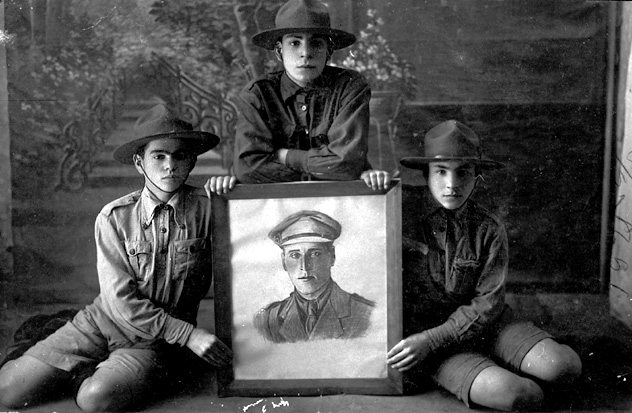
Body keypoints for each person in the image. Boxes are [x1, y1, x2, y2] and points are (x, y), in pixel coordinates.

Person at [0, 104, 234, 412]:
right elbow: (119, 300)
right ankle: (64, 344)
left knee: (94, 399)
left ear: (192, 161)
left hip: (156, 341)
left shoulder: (210, 208)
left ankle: (95, 371)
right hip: (103, 319)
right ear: (139, 163)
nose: (169, 165)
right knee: (6, 390)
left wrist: (231, 192)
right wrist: (191, 334)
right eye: (158, 155)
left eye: (180, 155)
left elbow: (255, 225)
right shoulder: (114, 217)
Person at [387, 120, 582, 411]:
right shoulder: (398, 211)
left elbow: (487, 305)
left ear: (478, 175)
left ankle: (519, 359)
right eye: (441, 171)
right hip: (430, 346)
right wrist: (371, 184)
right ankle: (503, 374)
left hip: (488, 326)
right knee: (517, 396)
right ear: (425, 174)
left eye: (463, 171)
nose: (451, 184)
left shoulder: (489, 228)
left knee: (563, 367)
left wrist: (432, 339)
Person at [206, 0, 390, 195]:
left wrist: (285, 156)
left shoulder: (350, 86)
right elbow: (249, 169)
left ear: (329, 52)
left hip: (340, 199)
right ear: (279, 51)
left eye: (316, 43)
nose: (305, 53)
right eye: (295, 43)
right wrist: (325, 168)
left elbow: (346, 164)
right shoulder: (258, 94)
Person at [254, 210, 375, 343]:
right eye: (295, 255)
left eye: (315, 254)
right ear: (284, 261)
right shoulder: (267, 320)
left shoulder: (367, 314)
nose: (304, 267)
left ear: (332, 256)